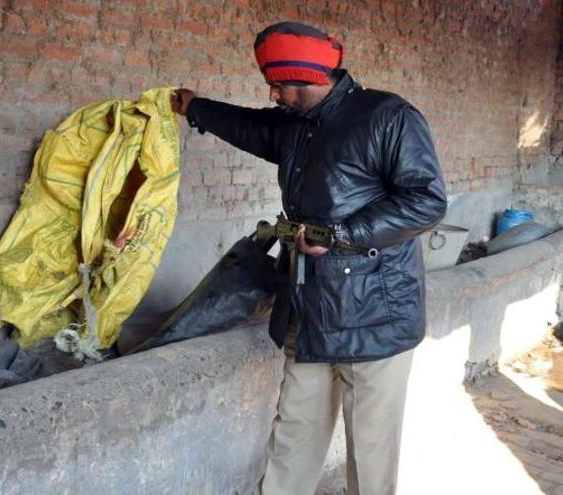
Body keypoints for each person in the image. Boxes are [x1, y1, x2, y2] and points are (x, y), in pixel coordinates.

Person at [170, 21, 448, 495]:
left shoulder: (389, 117)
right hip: (310, 304)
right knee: (293, 433)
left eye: (279, 84)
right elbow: (250, 126)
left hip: (374, 315)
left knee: (372, 449)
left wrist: (343, 234)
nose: (273, 94)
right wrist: (196, 107)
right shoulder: (296, 126)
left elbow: (426, 201)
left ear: (313, 78)